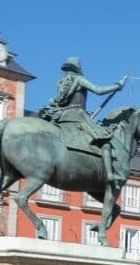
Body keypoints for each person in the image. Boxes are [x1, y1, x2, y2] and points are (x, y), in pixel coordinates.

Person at [38, 57, 128, 186]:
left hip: (61, 117)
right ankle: (109, 174)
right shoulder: (79, 80)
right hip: (77, 117)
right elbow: (98, 90)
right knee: (105, 142)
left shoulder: (60, 82)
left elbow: (57, 101)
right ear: (78, 68)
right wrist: (117, 86)